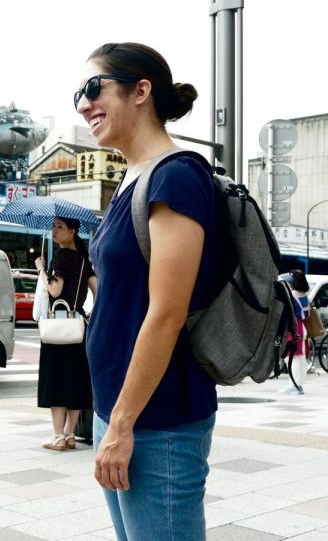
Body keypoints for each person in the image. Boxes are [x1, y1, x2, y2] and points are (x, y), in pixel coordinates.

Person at [77, 42, 216, 540]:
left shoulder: (176, 178)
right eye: (78, 93)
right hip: (117, 411)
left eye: (94, 88)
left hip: (157, 422)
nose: (83, 104)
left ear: (141, 91)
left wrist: (122, 423)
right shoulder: (130, 181)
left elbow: (166, 313)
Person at [34, 217, 97, 451]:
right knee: (76, 381)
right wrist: (90, 313)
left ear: (72, 231)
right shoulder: (83, 259)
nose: (54, 230)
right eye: (53, 226)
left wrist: (42, 269)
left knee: (57, 381)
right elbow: (97, 289)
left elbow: (55, 289)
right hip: (79, 325)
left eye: (59, 227)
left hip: (58, 325)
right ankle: (70, 435)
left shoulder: (60, 256)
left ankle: (58, 436)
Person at [280, 270, 310, 395]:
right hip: (301, 327)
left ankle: (295, 386)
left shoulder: (293, 295)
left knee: (292, 357)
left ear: (295, 283)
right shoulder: (303, 295)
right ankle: (298, 385)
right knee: (299, 357)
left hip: (294, 327)